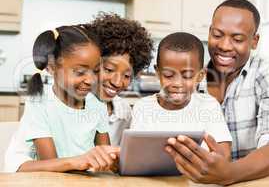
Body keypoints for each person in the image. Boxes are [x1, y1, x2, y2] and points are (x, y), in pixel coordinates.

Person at [165, 0, 269, 185]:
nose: (224, 46)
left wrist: (228, 173)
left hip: (250, 183)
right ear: (209, 32)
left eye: (237, 39)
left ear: (254, 41)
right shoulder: (189, 76)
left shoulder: (267, 73)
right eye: (217, 35)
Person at [4, 25, 119, 172]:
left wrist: (114, 159)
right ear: (51, 68)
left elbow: (105, 155)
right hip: (32, 177)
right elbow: (52, 167)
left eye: (96, 71)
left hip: (75, 177)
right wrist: (81, 160)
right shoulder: (39, 103)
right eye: (80, 72)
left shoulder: (97, 105)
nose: (90, 80)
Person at [131, 32, 232, 159]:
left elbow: (224, 155)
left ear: (200, 76)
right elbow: (134, 155)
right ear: (158, 73)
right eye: (168, 75)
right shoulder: (143, 107)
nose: (177, 83)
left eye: (187, 76)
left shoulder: (209, 106)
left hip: (197, 178)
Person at [85, 13, 153, 145]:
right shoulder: (66, 107)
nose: (117, 82)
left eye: (127, 76)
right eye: (109, 70)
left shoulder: (124, 111)